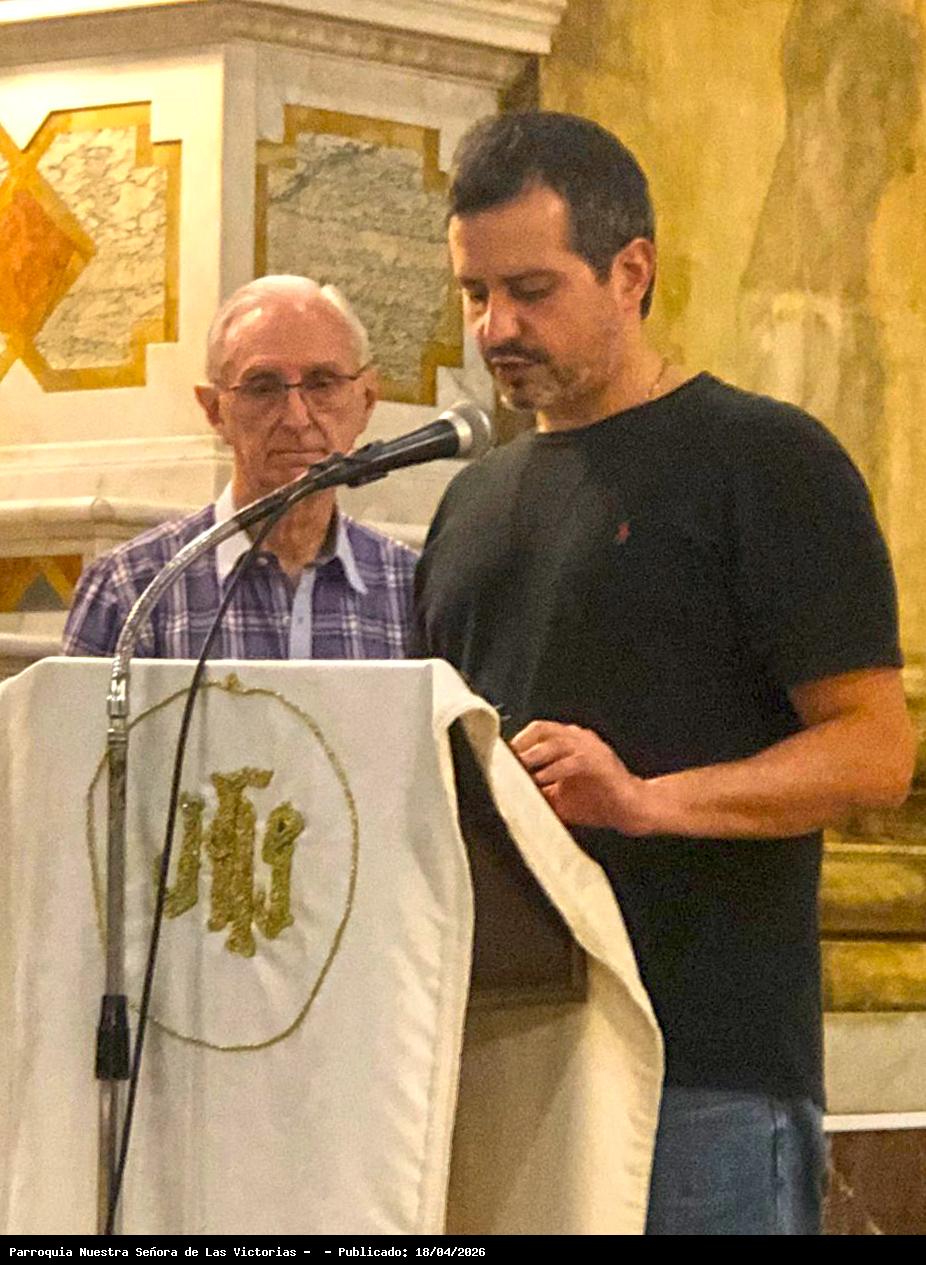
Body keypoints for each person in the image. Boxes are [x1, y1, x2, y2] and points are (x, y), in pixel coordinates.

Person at [413, 111, 916, 1235]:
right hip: (497, 1056)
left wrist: (644, 800)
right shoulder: (470, 501)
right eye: (474, 293)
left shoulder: (764, 460)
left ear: (630, 271)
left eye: (531, 290)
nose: (496, 327)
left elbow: (875, 751)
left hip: (702, 1075)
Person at [63, 276, 416, 659]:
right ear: (215, 411)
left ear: (367, 400)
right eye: (263, 388)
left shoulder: (409, 588)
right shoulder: (134, 589)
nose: (297, 418)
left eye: (322, 384)